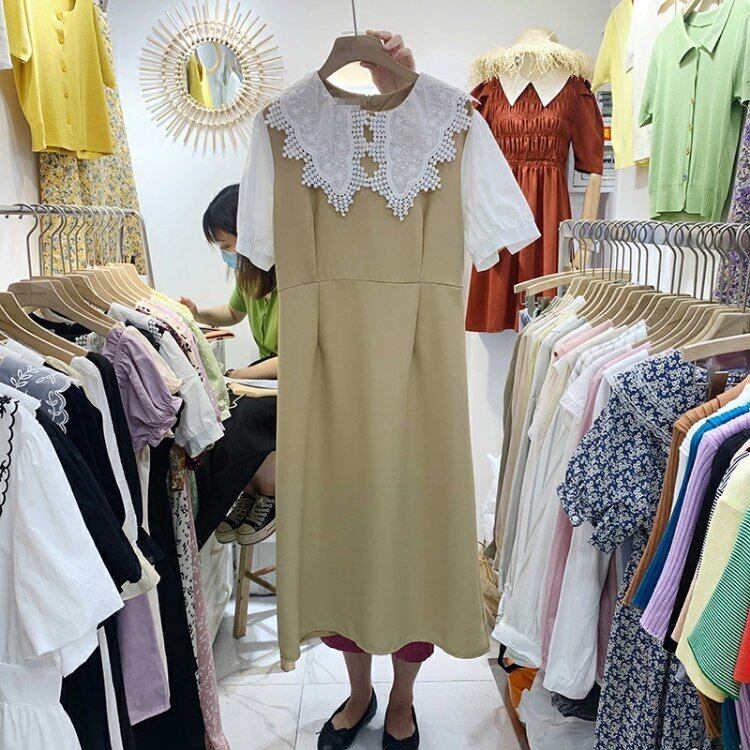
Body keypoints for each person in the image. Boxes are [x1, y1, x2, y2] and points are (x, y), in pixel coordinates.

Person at [181, 183, 277, 545]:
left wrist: (236, 375)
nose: (226, 254)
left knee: (243, 417)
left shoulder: (295, 278)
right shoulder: (250, 274)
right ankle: (245, 494)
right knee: (221, 410)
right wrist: (198, 313)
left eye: (227, 245)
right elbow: (234, 312)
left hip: (299, 376)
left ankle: (268, 494)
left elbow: (297, 356)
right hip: (267, 371)